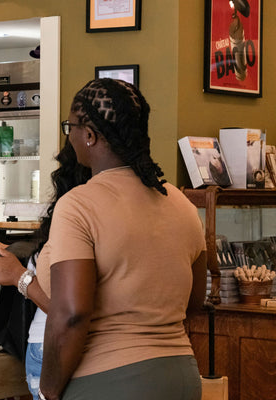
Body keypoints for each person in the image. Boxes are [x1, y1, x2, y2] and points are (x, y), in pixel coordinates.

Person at [37, 78, 207, 400]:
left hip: (110, 380)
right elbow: (194, 301)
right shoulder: (180, 203)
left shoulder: (78, 205)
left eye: (69, 127)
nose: (68, 135)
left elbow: (71, 313)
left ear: (89, 135)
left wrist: (49, 388)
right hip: (181, 376)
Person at [0, 140, 92, 399]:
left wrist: (19, 277)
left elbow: (67, 310)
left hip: (52, 346)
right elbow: (50, 269)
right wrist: (2, 249)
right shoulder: (94, 217)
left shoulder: (73, 213)